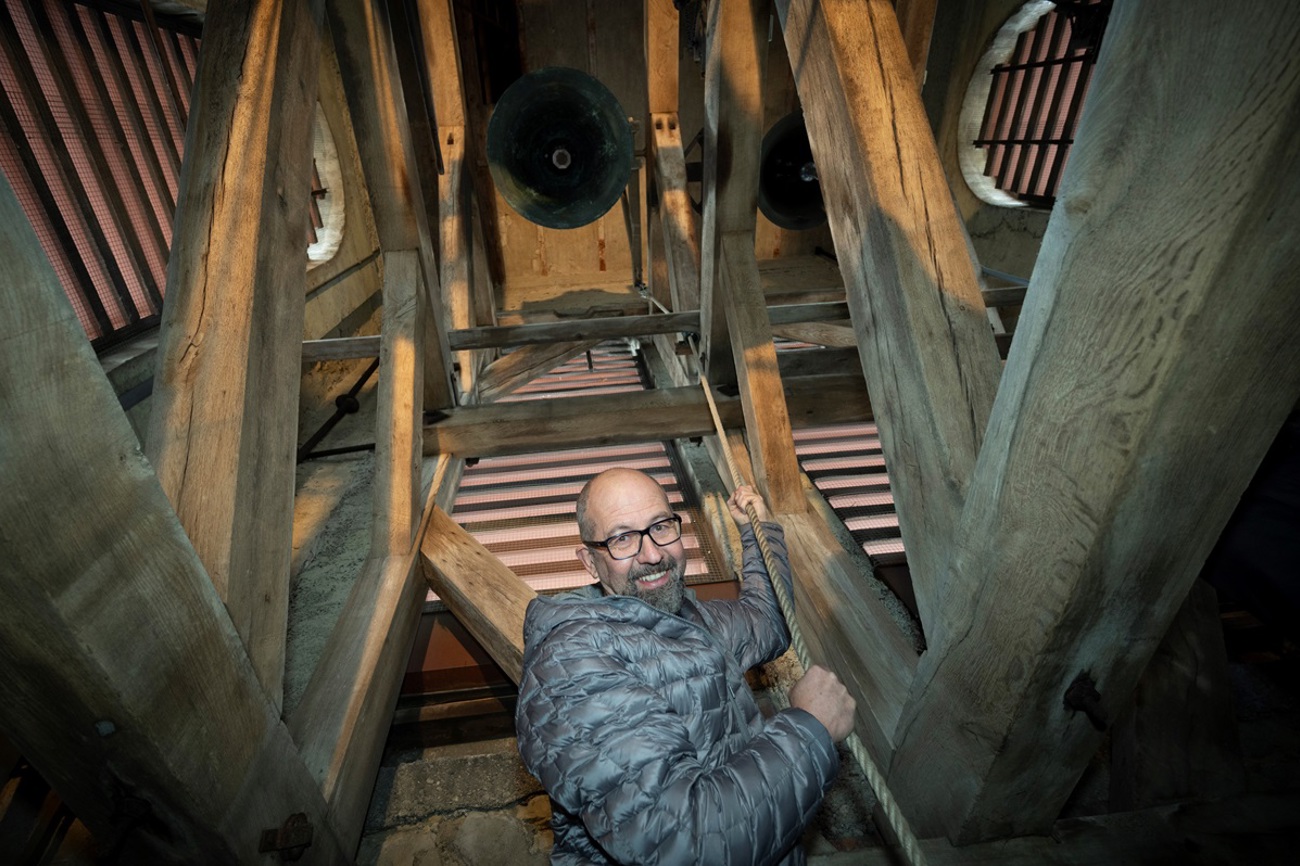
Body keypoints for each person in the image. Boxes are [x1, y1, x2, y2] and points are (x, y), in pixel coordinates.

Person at [515, 467, 856, 865]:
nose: (653, 554)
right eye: (622, 538)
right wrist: (807, 729)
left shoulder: (691, 619)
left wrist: (758, 532)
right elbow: (685, 842)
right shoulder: (571, 663)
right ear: (590, 561)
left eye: (661, 526)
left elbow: (767, 622)